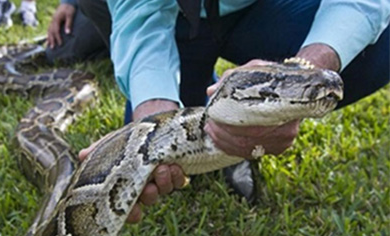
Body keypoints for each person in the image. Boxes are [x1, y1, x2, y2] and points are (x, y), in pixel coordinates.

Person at [77, 0, 390, 223]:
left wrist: (302, 71)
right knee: (157, 151)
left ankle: (238, 135)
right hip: (176, 19)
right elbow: (140, 10)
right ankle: (219, 115)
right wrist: (153, 111)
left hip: (259, 10)